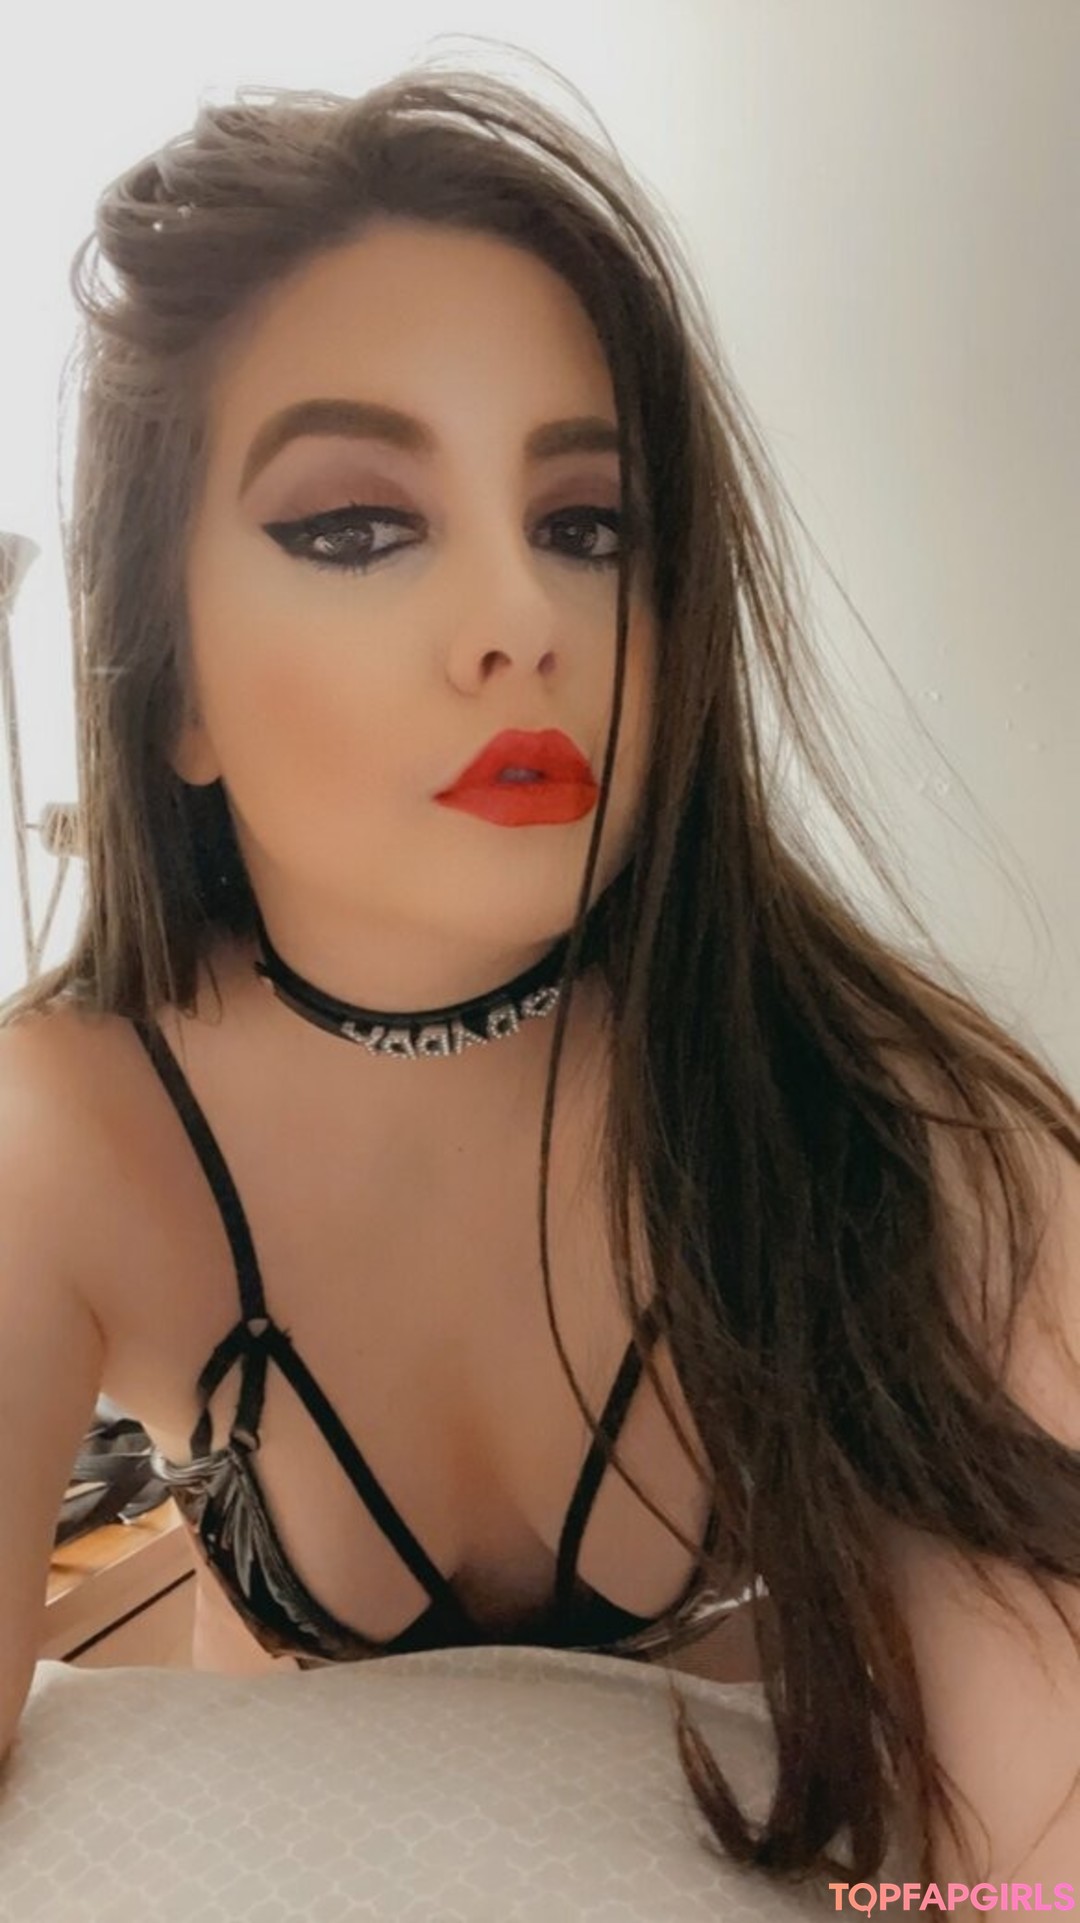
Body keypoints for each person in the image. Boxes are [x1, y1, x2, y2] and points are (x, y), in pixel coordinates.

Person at [1, 48, 1078, 1904]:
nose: (524, 618)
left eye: (590, 527)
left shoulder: (899, 1133)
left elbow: (1021, 1884)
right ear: (169, 687)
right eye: (356, 526)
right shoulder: (68, 1137)